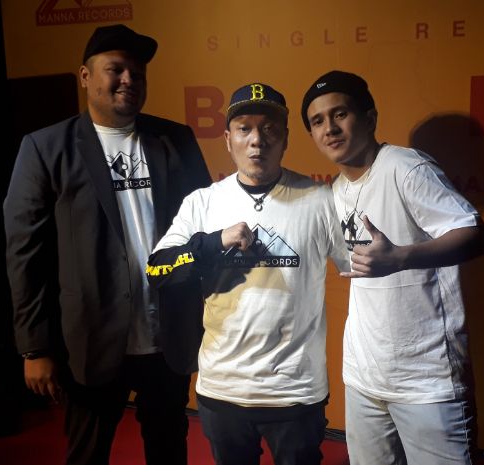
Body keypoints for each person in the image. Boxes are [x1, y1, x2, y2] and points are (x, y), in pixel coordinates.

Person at [3, 24, 211, 465]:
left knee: (169, 449)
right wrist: (35, 347)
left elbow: (204, 228)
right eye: (116, 69)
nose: (129, 80)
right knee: (87, 454)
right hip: (91, 341)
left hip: (167, 336)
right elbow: (25, 254)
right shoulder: (45, 148)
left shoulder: (176, 140)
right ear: (85, 76)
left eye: (138, 73)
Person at [145, 83, 349, 465]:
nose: (257, 140)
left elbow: (361, 270)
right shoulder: (203, 203)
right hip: (223, 389)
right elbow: (157, 269)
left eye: (269, 129)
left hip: (295, 391)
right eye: (244, 129)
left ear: (285, 138)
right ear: (228, 139)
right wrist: (213, 243)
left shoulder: (321, 200)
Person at [301, 70, 484, 465]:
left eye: (340, 114)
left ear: (370, 118)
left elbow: (476, 234)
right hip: (364, 378)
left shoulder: (405, 167)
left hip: (427, 382)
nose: (329, 128)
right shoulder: (335, 190)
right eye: (317, 121)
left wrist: (402, 257)